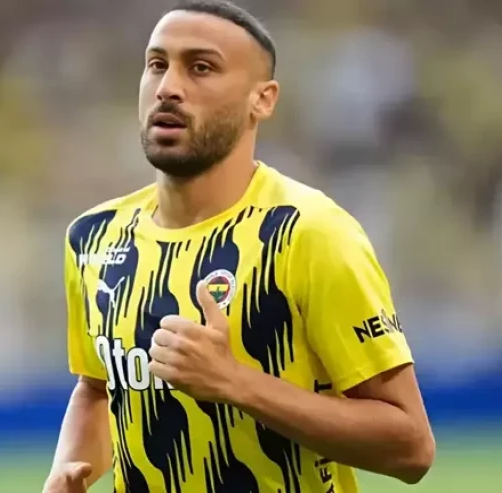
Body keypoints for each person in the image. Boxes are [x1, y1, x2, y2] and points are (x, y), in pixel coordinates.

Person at [43, 1, 435, 492]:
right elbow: (98, 390)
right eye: (157, 64)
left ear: (262, 100)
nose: (168, 87)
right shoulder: (94, 238)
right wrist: (67, 468)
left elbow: (411, 448)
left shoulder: (309, 233)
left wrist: (235, 382)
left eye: (200, 68)